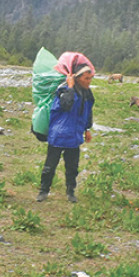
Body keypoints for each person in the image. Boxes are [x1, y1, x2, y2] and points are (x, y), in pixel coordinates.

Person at [36, 53, 95, 203]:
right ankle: (43, 191)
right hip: (59, 135)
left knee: (72, 168)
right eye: (86, 79)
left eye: (90, 79)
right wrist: (70, 87)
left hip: (74, 136)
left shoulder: (87, 94)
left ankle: (70, 192)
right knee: (50, 166)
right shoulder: (63, 90)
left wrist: (87, 129)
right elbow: (66, 105)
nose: (89, 82)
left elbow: (87, 112)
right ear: (77, 78)